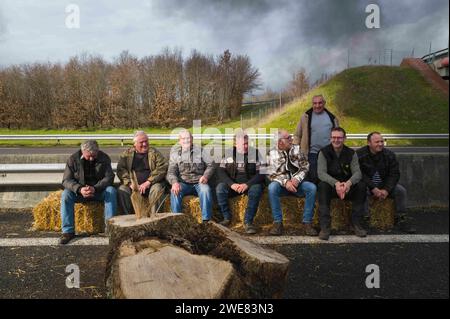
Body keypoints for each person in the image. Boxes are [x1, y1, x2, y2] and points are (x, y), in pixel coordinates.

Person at [357, 132, 415, 233]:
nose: (380, 144)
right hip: (367, 186)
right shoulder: (359, 155)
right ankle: (365, 220)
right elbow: (359, 174)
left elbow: (394, 174)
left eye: (381, 141)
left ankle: (400, 219)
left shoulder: (389, 155)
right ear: (369, 143)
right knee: (360, 190)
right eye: (377, 142)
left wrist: (386, 190)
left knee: (401, 191)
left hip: (384, 186)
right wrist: (373, 188)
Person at [60, 140, 117, 244]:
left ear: (98, 152)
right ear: (83, 152)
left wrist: (95, 188)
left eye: (94, 156)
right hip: (80, 192)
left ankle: (110, 229)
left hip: (98, 191)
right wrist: (79, 189)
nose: (91, 159)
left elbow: (109, 177)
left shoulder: (104, 158)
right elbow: (66, 180)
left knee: (111, 191)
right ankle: (68, 231)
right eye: (88, 156)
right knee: (66, 194)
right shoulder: (72, 159)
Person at [317, 127, 367, 240]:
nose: (336, 140)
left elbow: (358, 173)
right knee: (322, 186)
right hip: (331, 187)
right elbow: (321, 173)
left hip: (347, 188)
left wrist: (348, 184)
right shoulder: (323, 153)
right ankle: (325, 227)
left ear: (344, 138)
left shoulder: (351, 153)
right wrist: (336, 183)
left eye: (339, 137)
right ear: (330, 138)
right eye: (334, 137)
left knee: (361, 186)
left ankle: (356, 224)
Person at [267, 129, 318, 236]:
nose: (291, 139)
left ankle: (307, 222)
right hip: (282, 186)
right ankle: (278, 223)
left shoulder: (297, 149)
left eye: (291, 137)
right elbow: (271, 173)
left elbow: (305, 166)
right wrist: (286, 182)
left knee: (311, 188)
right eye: (288, 138)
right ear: (280, 142)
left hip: (298, 185)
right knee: (272, 187)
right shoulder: (271, 153)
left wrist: (297, 179)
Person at [215, 131, 265, 234]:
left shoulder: (255, 153)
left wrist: (247, 184)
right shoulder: (228, 153)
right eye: (243, 144)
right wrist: (231, 184)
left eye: (247, 143)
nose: (246, 146)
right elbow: (220, 171)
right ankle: (226, 218)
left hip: (250, 184)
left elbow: (262, 173)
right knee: (220, 188)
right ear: (235, 144)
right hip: (234, 185)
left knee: (256, 190)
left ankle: (248, 222)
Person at [166, 130, 215, 222]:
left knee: (206, 190)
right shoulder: (175, 154)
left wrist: (205, 176)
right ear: (179, 141)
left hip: (199, 182)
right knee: (175, 192)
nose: (186, 141)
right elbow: (171, 172)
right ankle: (177, 221)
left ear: (192, 139)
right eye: (183, 139)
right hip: (183, 183)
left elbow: (211, 165)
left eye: (188, 138)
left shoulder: (201, 151)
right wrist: (175, 182)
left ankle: (206, 220)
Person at [117, 131, 168, 216]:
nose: (144, 144)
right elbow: (121, 170)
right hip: (133, 186)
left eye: (146, 141)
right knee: (122, 190)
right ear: (135, 144)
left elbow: (162, 167)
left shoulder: (154, 153)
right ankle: (128, 218)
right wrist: (130, 183)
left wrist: (148, 182)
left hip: (151, 184)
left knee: (157, 189)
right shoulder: (127, 154)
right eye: (141, 142)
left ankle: (155, 219)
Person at [294, 94, 339, 183]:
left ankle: (324, 194)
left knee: (328, 176)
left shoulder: (332, 118)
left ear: (324, 103)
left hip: (328, 153)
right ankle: (315, 194)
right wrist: (295, 151)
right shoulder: (305, 117)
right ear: (312, 104)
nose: (317, 106)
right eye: (315, 103)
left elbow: (338, 135)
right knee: (314, 176)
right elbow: (297, 135)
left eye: (320, 103)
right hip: (312, 153)